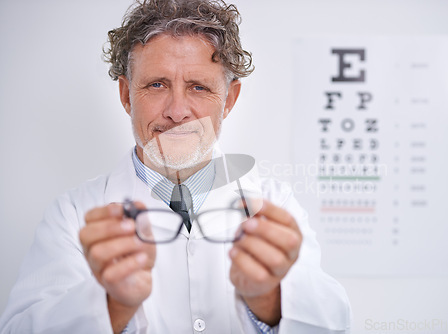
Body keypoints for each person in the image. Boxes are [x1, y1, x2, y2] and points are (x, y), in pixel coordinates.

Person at [0, 0, 351, 333]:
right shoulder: (72, 215)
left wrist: (271, 301)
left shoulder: (275, 204)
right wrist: (110, 306)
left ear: (229, 100)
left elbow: (336, 322)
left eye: (199, 87)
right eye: (157, 85)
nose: (177, 111)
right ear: (126, 95)